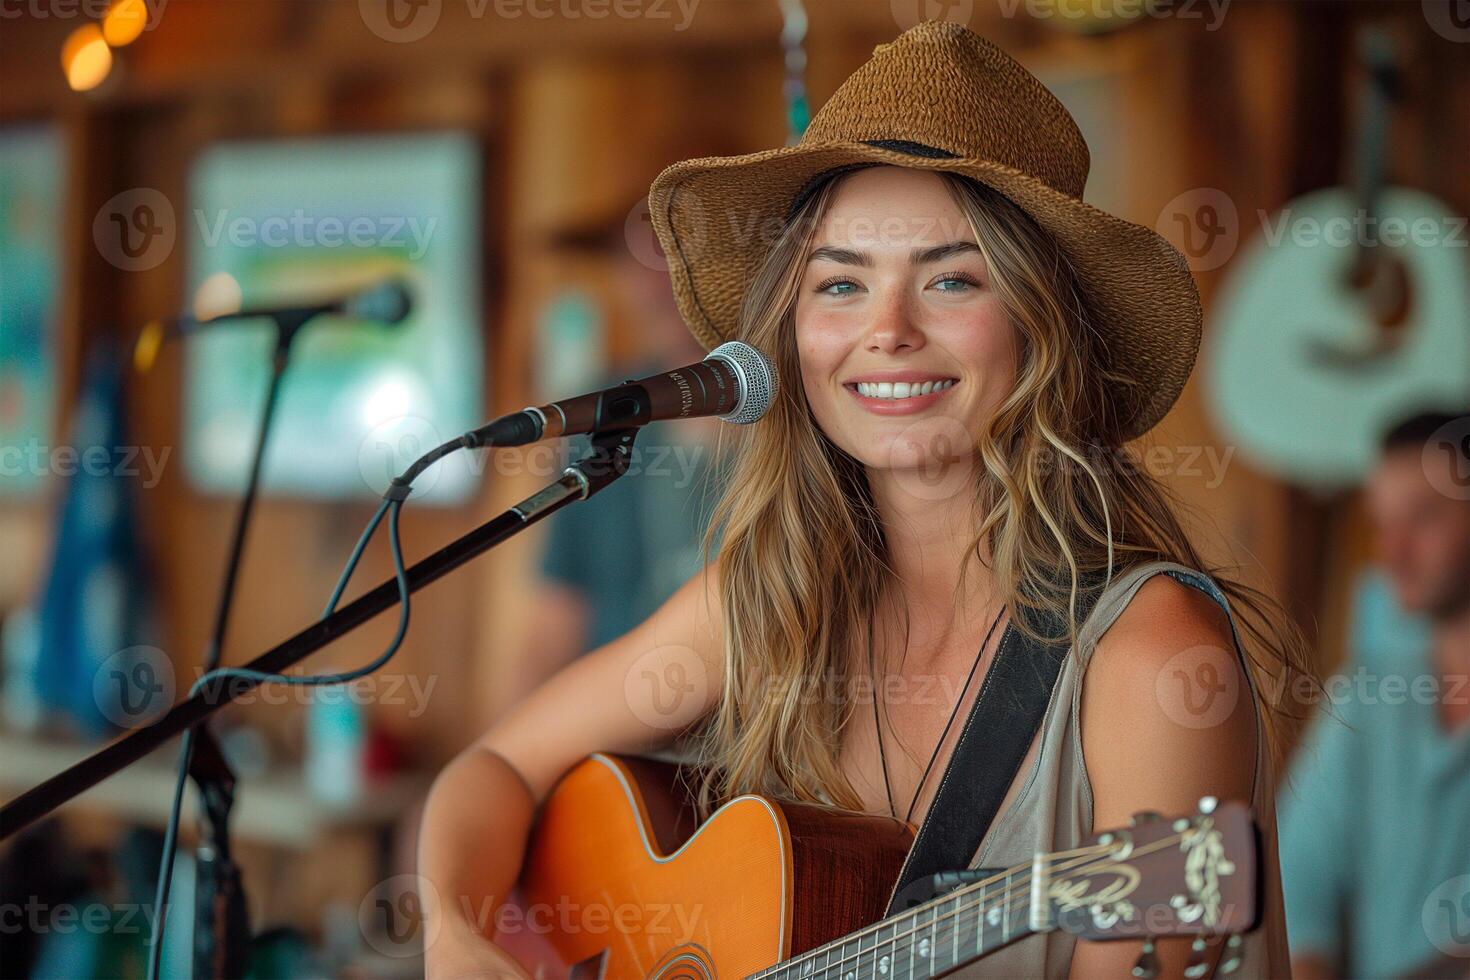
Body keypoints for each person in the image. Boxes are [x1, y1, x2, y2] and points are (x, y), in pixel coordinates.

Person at [419, 22, 1308, 978]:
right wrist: (456, 933)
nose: (886, 331)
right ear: (792, 341)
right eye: (840, 284)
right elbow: (497, 769)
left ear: (1045, 323)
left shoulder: (1150, 658)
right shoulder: (765, 601)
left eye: (952, 279)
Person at [491, 198, 718, 714]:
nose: (652, 283)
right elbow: (554, 624)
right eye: (631, 257)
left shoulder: (794, 422)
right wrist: (493, 761)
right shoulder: (604, 412)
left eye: (672, 254)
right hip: (614, 750)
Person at [1279, 410, 1470, 980]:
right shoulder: (1367, 695)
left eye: (1423, 517)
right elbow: (1295, 879)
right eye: (1380, 524)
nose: (1393, 551)